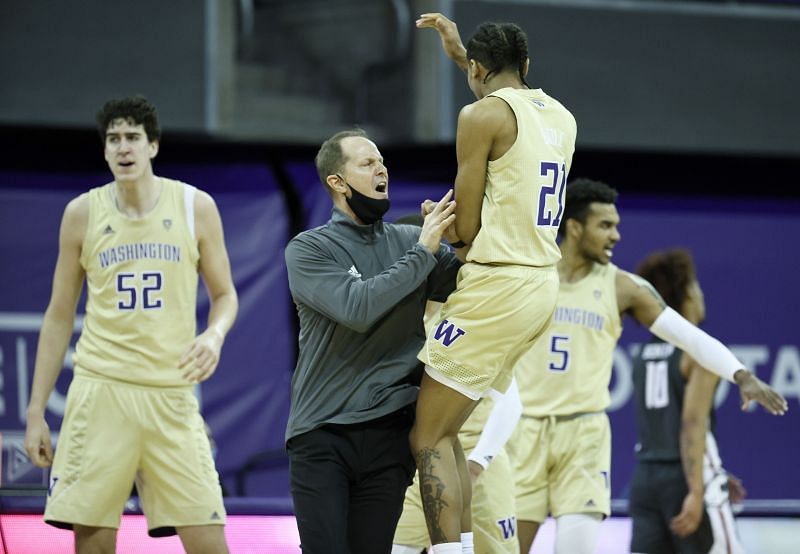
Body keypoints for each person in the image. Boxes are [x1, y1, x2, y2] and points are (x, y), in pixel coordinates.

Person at [507, 179, 786, 554]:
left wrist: (742, 374)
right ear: (573, 228)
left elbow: (690, 337)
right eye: (605, 225)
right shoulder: (529, 274)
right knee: (505, 549)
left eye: (617, 225)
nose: (616, 235)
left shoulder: (624, 287)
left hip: (583, 435)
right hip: (523, 431)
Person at [23, 95, 238, 554]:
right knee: (95, 544)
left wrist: (214, 335)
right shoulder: (82, 213)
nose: (123, 148)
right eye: (114, 139)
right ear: (104, 150)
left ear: (152, 146)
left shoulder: (194, 206)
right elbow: (59, 314)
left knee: (209, 539)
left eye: (133, 138)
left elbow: (225, 296)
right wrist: (36, 411)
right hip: (102, 391)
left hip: (171, 393)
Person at [409, 13, 577, 552]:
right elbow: (509, 103)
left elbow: (468, 225)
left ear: (478, 69)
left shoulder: (477, 116)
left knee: (426, 435)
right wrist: (465, 57)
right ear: (527, 65)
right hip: (539, 285)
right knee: (450, 431)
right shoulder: (563, 117)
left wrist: (443, 226)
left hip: (497, 284)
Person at [283, 129, 463, 553]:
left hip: (389, 433)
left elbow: (468, 282)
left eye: (382, 161)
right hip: (323, 433)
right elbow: (357, 308)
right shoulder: (309, 248)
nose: (381, 168)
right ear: (337, 182)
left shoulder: (407, 240)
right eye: (366, 163)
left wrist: (457, 241)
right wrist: (425, 249)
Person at [392, 214, 522, 554]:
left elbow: (511, 400)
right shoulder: (394, 314)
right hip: (414, 466)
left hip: (476, 464)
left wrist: (479, 462)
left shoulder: (470, 310)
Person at [630, 249, 749, 554]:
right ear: (683, 294)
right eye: (695, 285)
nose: (700, 294)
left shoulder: (641, 356)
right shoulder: (698, 353)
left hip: (646, 480)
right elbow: (692, 424)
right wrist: (699, 487)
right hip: (687, 480)